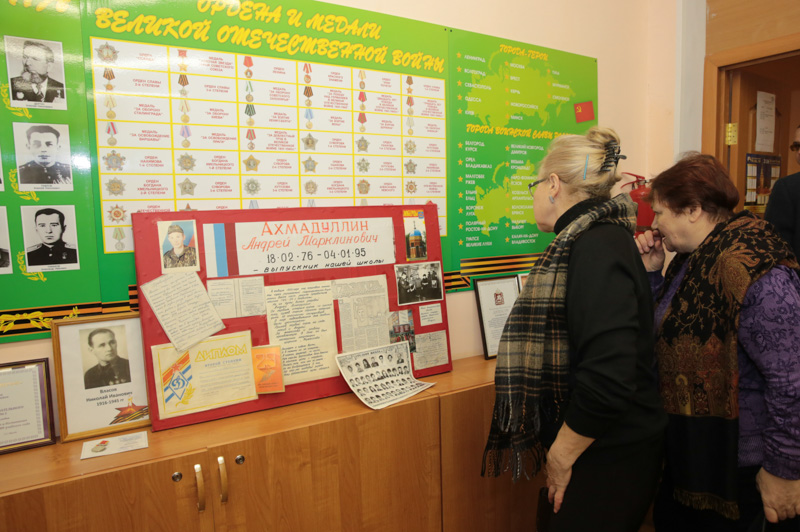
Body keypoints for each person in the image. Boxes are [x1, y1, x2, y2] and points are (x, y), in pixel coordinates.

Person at [482, 127, 666, 532]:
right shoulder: (591, 240)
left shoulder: (596, 246)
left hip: (610, 453)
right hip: (603, 445)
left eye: (534, 185)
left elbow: (609, 376)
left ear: (553, 185)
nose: (534, 195)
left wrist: (561, 455)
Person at [636, 153, 800, 531]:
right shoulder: (692, 259)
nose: (654, 224)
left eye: (660, 213)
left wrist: (784, 469)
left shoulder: (752, 266)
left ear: (693, 210)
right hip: (691, 456)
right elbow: (667, 334)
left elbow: (792, 378)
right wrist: (652, 274)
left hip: (743, 470)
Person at [764, 125, 800, 257]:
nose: (799, 152)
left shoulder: (787, 187)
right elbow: (776, 245)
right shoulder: (788, 188)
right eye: (797, 146)